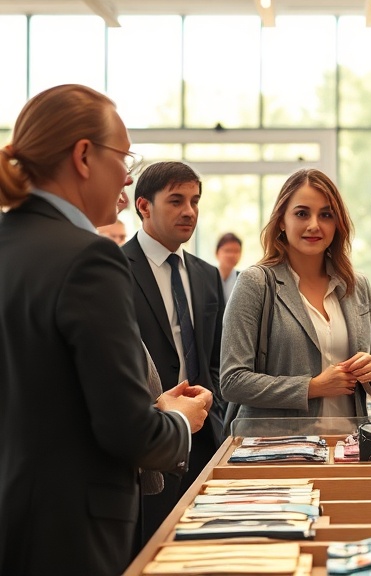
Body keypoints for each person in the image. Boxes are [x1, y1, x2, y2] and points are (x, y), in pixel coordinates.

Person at [0, 83, 207, 575]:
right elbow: (128, 432)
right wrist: (179, 420)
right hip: (72, 533)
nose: (127, 176)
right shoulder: (90, 257)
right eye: (125, 158)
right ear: (84, 156)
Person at [220, 168, 371, 420]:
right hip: (278, 450)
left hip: (348, 447)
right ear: (281, 220)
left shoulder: (357, 286)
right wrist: (312, 387)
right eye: (302, 213)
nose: (314, 225)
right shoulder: (255, 283)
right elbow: (232, 381)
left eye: (326, 215)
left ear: (337, 223)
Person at [122, 161, 227, 543]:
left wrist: (214, 414)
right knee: (153, 545)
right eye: (177, 200)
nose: (189, 211)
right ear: (143, 206)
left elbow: (214, 358)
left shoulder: (205, 274)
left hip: (206, 437)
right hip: (150, 436)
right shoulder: (115, 267)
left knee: (205, 545)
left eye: (195, 201)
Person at [215, 232, 243, 299]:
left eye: (236, 251)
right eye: (227, 251)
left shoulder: (242, 279)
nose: (232, 255)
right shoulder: (207, 278)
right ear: (216, 253)